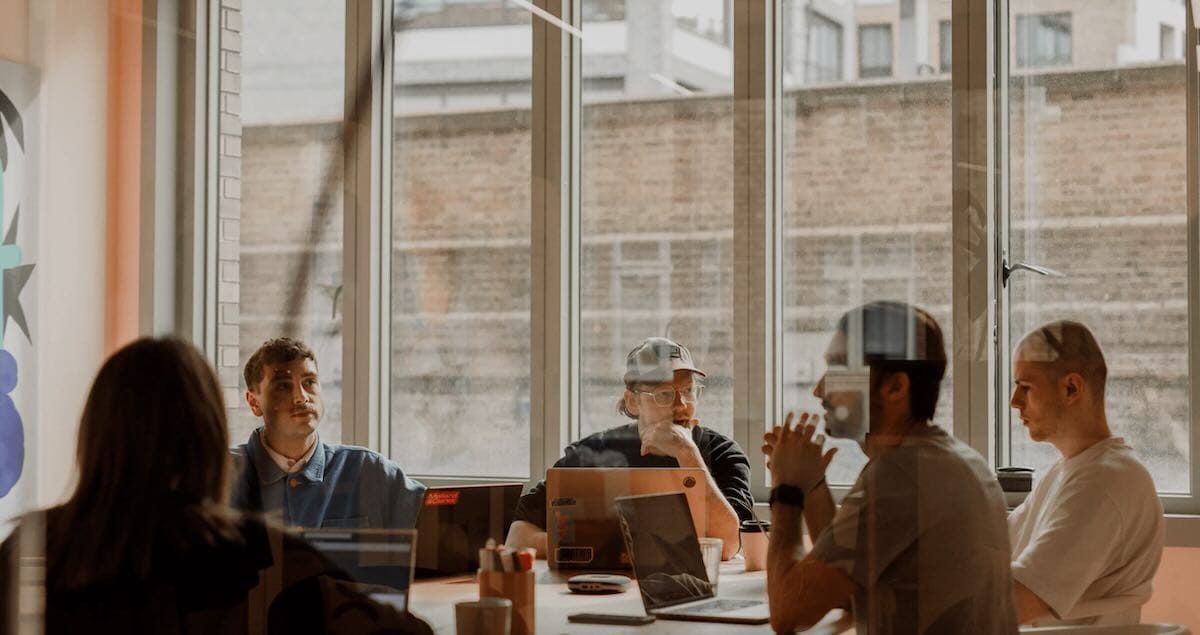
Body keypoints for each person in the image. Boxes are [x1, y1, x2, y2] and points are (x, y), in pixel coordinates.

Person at [0, 337, 430, 634]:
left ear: (95, 431)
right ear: (205, 435)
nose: (301, 397)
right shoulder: (262, 555)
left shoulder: (28, 547)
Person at [763, 302, 1016, 633]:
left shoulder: (901, 475)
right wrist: (811, 484)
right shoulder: (951, 459)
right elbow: (841, 590)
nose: (819, 389)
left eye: (839, 368)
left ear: (895, 387)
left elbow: (787, 613)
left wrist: (787, 492)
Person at [506, 337, 753, 560]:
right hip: (600, 588)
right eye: (664, 394)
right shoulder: (596, 452)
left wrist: (687, 453)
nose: (682, 405)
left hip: (692, 589)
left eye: (689, 391)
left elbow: (730, 544)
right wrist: (592, 547)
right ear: (633, 401)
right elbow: (518, 534)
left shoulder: (721, 453)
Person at [1007, 321, 1164, 625]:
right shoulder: (1068, 472)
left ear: (1071, 388)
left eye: (1025, 387)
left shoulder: (1107, 482)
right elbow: (995, 547)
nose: (1014, 402)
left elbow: (1018, 601)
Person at [230, 337, 425, 529]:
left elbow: (442, 524)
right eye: (283, 386)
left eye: (309, 382)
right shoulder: (220, 474)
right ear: (254, 402)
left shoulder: (370, 472)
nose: (301, 397)